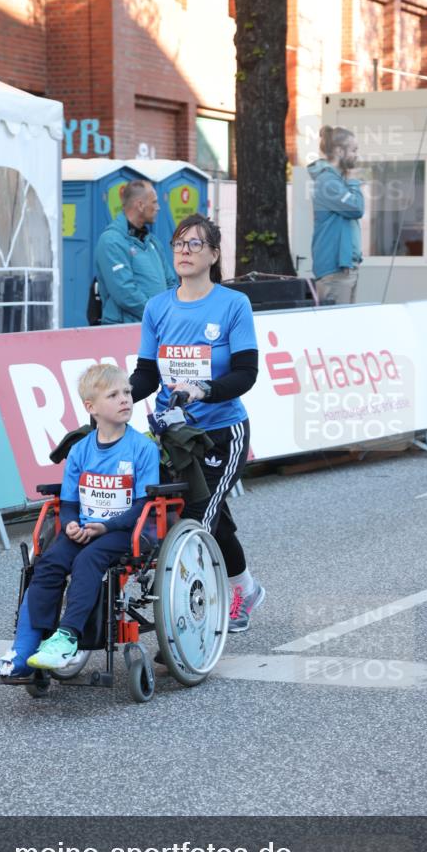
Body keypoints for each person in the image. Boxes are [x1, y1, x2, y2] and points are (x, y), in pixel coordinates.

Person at [129, 214, 265, 634]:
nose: (184, 251)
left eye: (195, 244)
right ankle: (245, 588)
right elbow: (147, 375)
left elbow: (246, 373)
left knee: (195, 520)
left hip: (222, 433)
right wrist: (117, 396)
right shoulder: (158, 307)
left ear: (214, 255)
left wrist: (203, 390)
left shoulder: (233, 304)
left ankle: (189, 620)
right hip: (173, 436)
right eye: (178, 244)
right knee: (207, 514)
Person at [0, 364, 160, 676]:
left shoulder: (143, 448)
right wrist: (71, 523)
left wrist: (106, 526)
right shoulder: (80, 450)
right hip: (85, 527)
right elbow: (69, 503)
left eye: (127, 392)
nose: (125, 399)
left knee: (88, 560)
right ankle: (26, 645)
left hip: (124, 530)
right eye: (113, 395)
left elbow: (142, 505)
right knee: (49, 561)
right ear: (91, 407)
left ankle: (67, 638)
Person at [94, 180, 178, 324]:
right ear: (140, 205)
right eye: (154, 202)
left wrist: (173, 311)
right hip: (124, 330)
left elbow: (170, 282)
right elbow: (125, 293)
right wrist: (158, 314)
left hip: (156, 326)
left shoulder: (152, 241)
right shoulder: (111, 241)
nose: (158, 207)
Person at [307, 125, 365, 305]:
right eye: (353, 150)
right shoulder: (328, 182)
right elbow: (356, 208)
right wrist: (353, 181)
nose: (356, 155)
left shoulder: (336, 181)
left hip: (344, 269)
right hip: (335, 271)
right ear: (340, 151)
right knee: (340, 322)